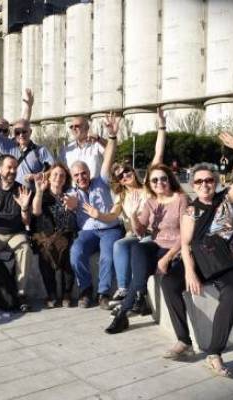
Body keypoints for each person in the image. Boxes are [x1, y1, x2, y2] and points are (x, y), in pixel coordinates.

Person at [180, 132, 233, 377]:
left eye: (209, 180)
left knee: (232, 291)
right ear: (193, 184)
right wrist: (189, 272)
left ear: (216, 181)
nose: (204, 185)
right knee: (230, 292)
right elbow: (185, 244)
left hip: (232, 261)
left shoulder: (227, 199)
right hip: (207, 264)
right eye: (198, 182)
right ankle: (214, 353)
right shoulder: (191, 212)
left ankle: (214, 352)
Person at [88, 107, 167, 307]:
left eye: (126, 171)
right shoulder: (122, 196)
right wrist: (98, 215)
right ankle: (124, 289)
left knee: (138, 249)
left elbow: (158, 155)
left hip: (151, 234)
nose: (124, 175)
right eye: (120, 175)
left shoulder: (149, 186)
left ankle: (139, 293)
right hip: (133, 235)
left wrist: (162, 126)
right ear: (119, 181)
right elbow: (113, 215)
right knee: (119, 245)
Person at [105, 164, 189, 337]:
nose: (159, 183)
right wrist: (134, 216)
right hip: (157, 246)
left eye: (163, 178)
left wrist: (168, 258)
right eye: (155, 180)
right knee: (137, 247)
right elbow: (140, 232)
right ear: (150, 184)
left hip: (174, 249)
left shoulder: (180, 198)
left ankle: (122, 314)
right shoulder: (151, 202)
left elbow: (186, 233)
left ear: (170, 179)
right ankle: (139, 294)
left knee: (138, 276)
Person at [67, 113, 123, 310]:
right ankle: (85, 290)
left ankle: (103, 293)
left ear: (90, 173)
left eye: (84, 173)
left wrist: (112, 137)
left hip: (110, 228)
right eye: (77, 175)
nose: (81, 177)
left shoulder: (102, 180)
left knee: (108, 255)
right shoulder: (72, 193)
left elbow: (108, 156)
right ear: (72, 177)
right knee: (76, 251)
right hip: (88, 232)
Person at [0, 155, 33, 312]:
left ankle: (21, 294)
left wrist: (23, 208)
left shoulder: (22, 190)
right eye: (9, 167)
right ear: (0, 169)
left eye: (15, 168)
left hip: (16, 233)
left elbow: (27, 222)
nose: (13, 171)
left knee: (25, 248)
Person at [31, 163, 77, 308]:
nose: (58, 178)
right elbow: (36, 212)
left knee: (69, 251)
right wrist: (38, 191)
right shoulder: (42, 195)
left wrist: (72, 208)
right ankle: (51, 293)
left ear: (65, 179)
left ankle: (66, 293)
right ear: (49, 178)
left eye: (62, 175)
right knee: (45, 252)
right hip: (44, 234)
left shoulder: (70, 196)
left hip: (65, 234)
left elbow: (73, 221)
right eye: (55, 174)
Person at [0, 98, 55, 187]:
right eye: (17, 132)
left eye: (24, 132)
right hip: (13, 195)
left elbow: (54, 169)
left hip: (34, 195)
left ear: (30, 132)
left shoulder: (40, 151)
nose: (21, 135)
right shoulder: (9, 147)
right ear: (13, 134)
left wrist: (39, 176)